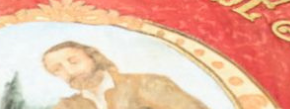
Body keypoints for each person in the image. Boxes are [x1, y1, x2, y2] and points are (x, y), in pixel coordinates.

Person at [41, 41, 209, 109]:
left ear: (93, 57)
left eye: (74, 61)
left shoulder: (148, 83)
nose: (69, 72)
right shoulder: (68, 107)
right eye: (58, 69)